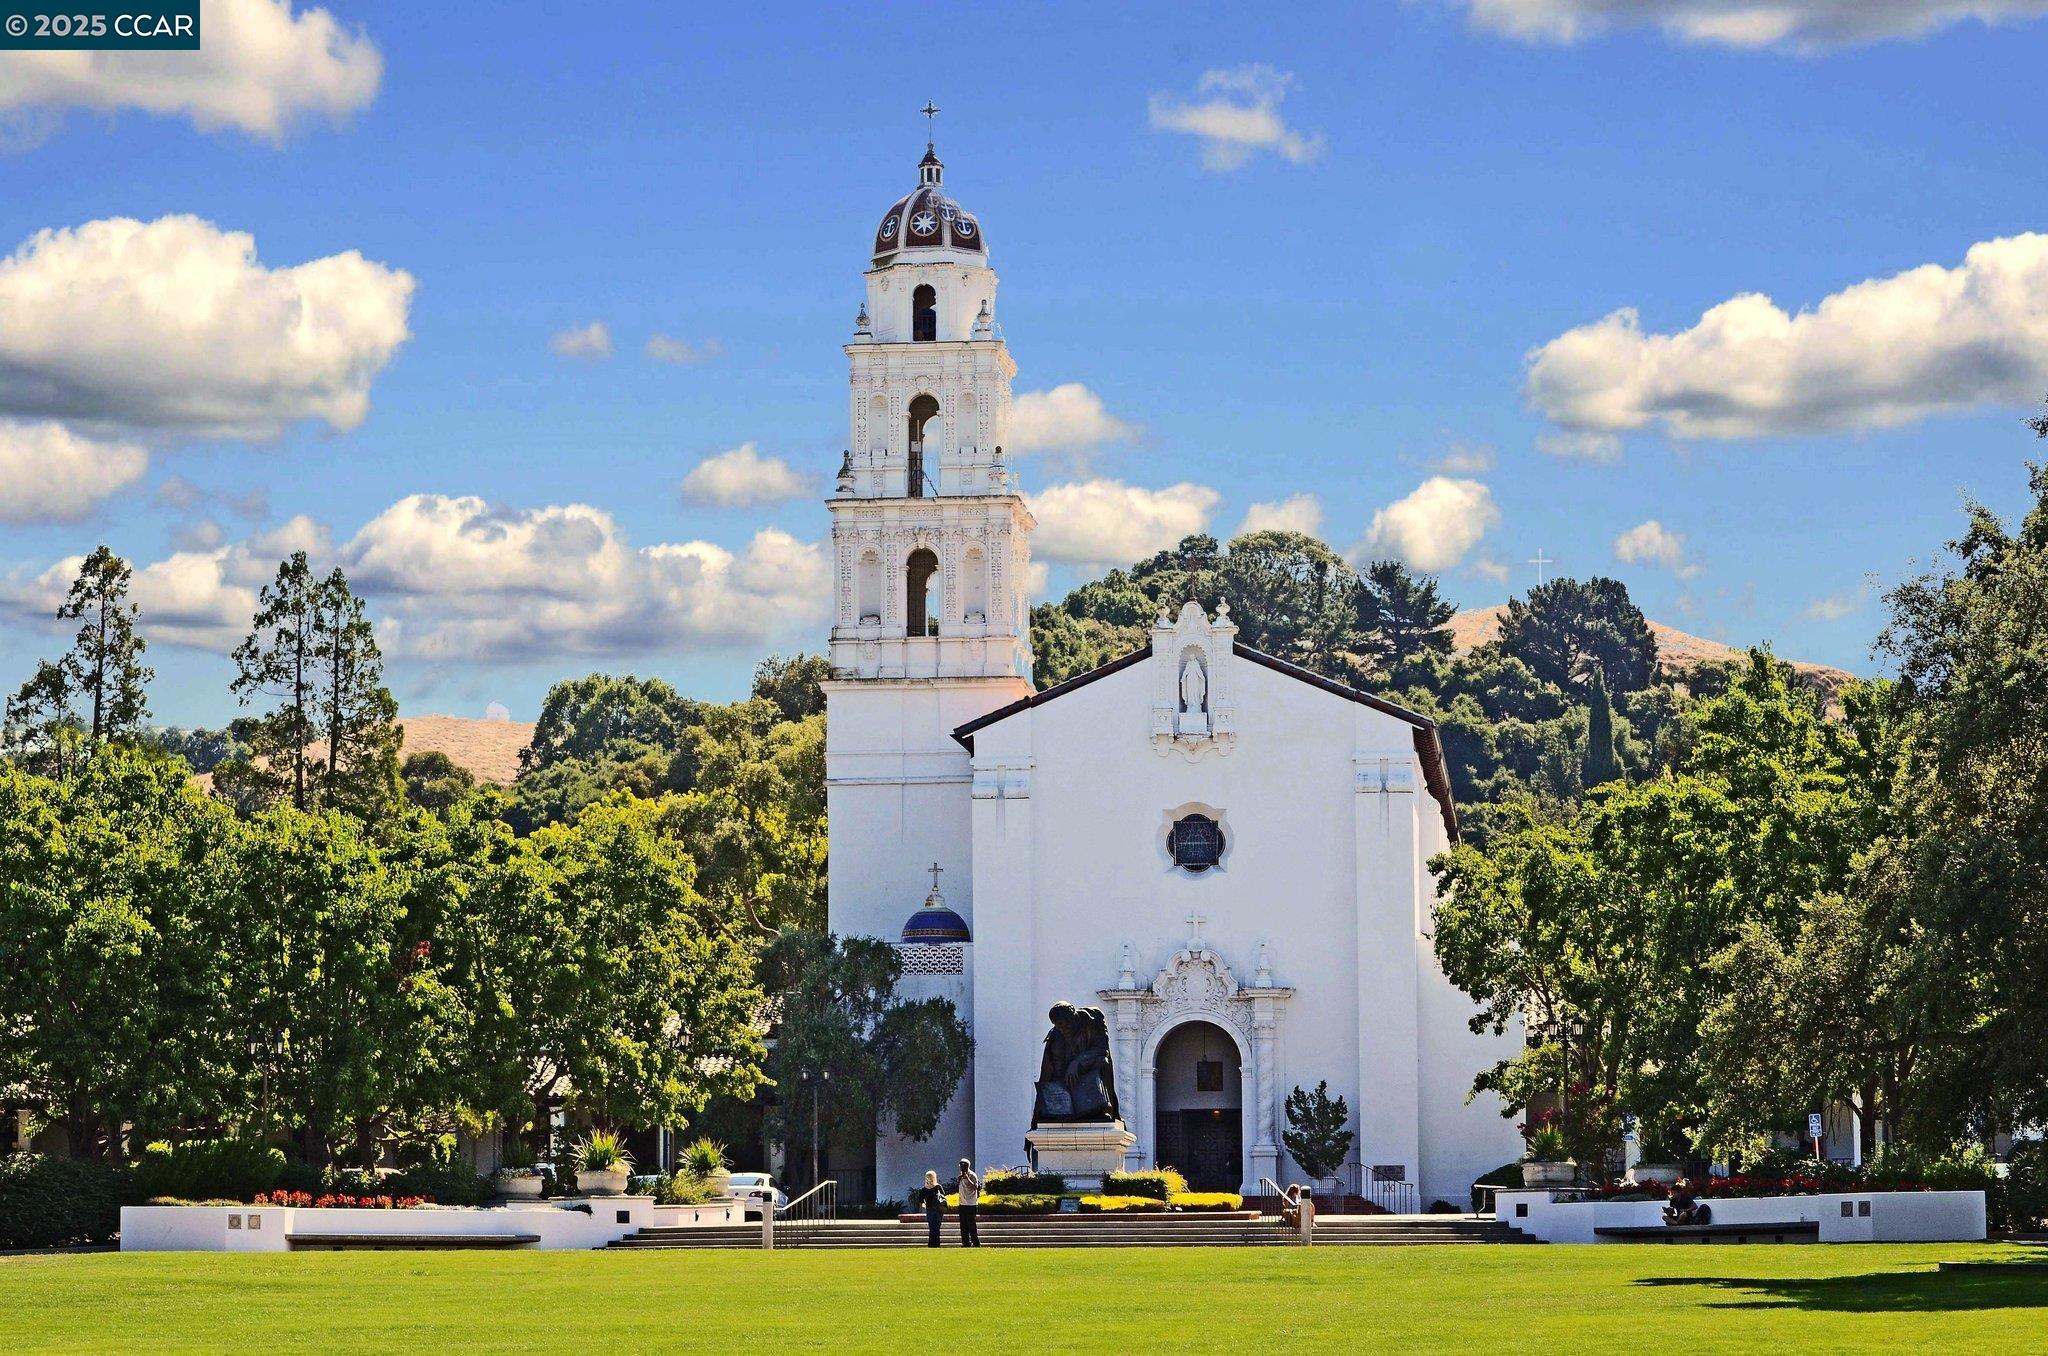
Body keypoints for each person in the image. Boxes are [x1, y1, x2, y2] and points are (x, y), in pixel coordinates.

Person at [955, 1158, 981, 1247]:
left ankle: (976, 1242)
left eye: (964, 1166)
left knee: (971, 1225)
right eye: (961, 1166)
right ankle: (965, 1242)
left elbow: (976, 1187)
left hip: (971, 1204)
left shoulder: (973, 1175)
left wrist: (967, 1179)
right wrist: (961, 1178)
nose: (962, 1168)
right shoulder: (961, 1175)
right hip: (962, 1204)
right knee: (963, 1225)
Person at [915, 1170, 945, 1248]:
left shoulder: (935, 1187)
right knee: (933, 1228)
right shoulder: (928, 1188)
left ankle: (934, 1244)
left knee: (935, 1227)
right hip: (933, 1210)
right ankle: (934, 1244)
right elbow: (921, 1200)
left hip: (935, 1210)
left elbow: (942, 1197)